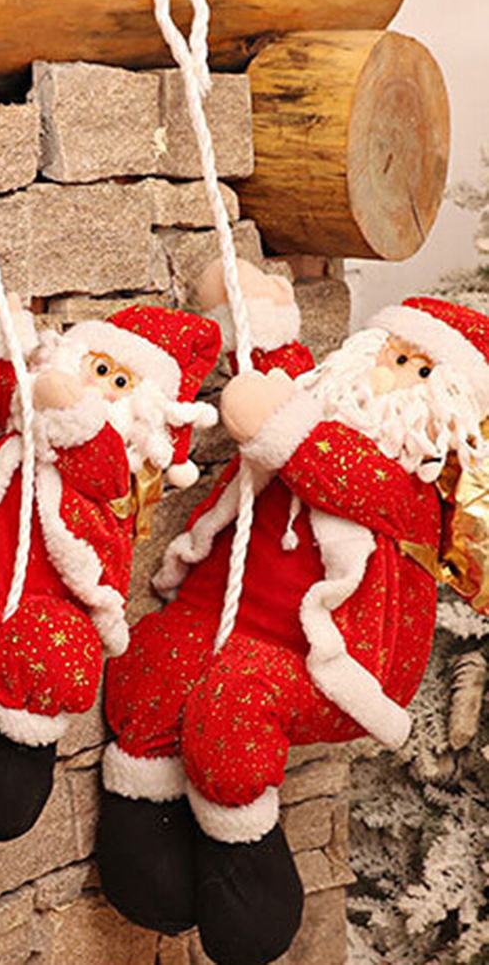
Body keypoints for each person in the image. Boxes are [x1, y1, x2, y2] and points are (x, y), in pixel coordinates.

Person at [100, 258, 489, 965]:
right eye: (393, 354)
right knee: (155, 661)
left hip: (324, 660)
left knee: (236, 703)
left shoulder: (415, 489)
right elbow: (284, 379)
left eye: (419, 369)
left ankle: (246, 865)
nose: (393, 375)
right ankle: (142, 826)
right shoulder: (321, 402)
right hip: (218, 613)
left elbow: (336, 467)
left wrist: (275, 423)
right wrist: (253, 310)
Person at [0, 282, 221, 840]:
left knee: (51, 655)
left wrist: (67, 405)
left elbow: (91, 451)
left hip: (58, 603)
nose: (99, 388)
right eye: (99, 369)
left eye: (119, 382)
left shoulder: (117, 475)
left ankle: (18, 761)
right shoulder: (21, 422)